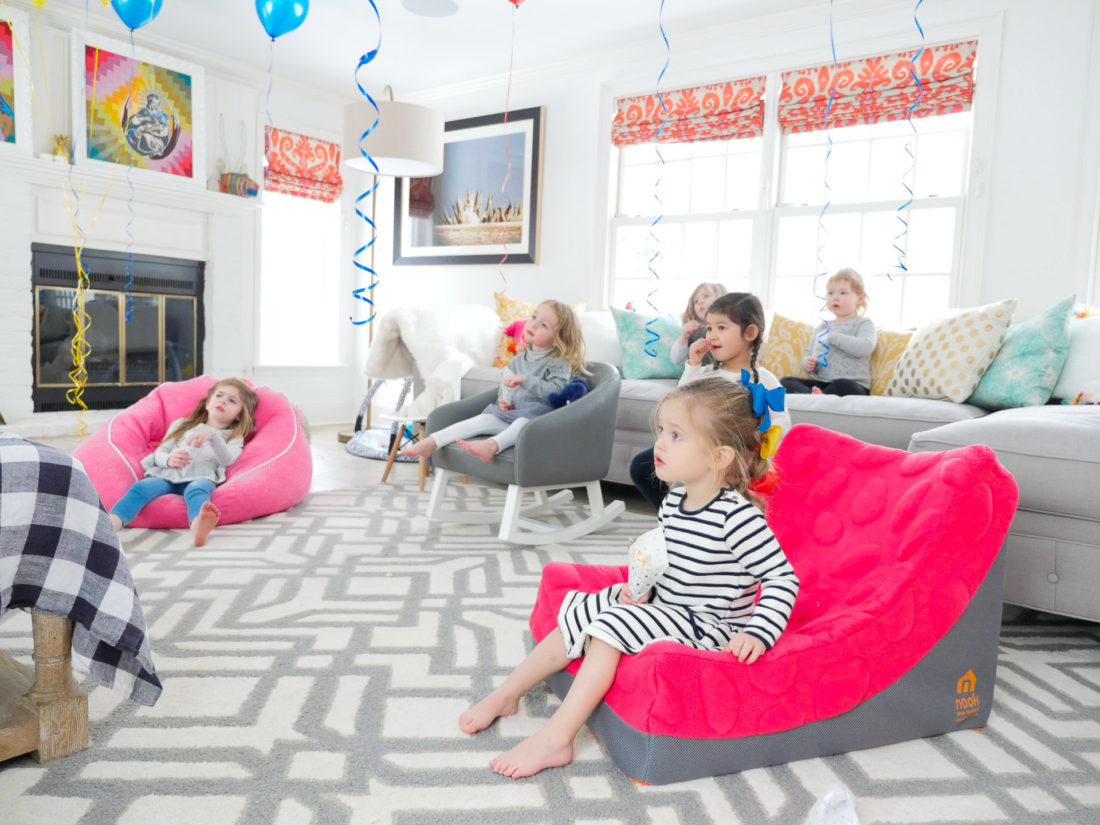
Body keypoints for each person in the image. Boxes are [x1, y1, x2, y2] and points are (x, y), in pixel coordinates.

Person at [459, 375, 800, 779]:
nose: (659, 443)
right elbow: (670, 562)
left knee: (610, 627)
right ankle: (507, 694)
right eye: (661, 431)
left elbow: (782, 579)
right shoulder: (675, 499)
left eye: (676, 436)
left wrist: (758, 632)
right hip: (671, 608)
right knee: (590, 606)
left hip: (712, 626)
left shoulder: (737, 517)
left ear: (720, 456)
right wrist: (640, 590)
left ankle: (557, 738)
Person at [630, 292, 791, 509]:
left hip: (734, 457)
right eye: (709, 328)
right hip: (694, 449)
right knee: (641, 466)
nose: (712, 335)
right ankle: (679, 518)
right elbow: (679, 405)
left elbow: (781, 421)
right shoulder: (705, 373)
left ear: (750, 332)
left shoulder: (766, 381)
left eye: (721, 328)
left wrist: (760, 450)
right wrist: (693, 364)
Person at [402, 300, 586, 463]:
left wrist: (525, 379)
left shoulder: (559, 362)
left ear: (558, 338)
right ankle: (432, 441)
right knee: (484, 418)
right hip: (511, 416)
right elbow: (506, 388)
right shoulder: (517, 360)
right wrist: (505, 403)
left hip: (537, 423)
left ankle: (491, 446)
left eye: (544, 325)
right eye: (534, 317)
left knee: (522, 423)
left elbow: (554, 391)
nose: (534, 324)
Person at [108, 378, 258, 546]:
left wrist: (212, 435)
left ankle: (198, 528)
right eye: (219, 395)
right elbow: (160, 452)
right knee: (141, 488)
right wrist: (169, 460)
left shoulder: (233, 437)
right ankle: (110, 524)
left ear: (239, 415)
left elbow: (229, 459)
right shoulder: (182, 425)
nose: (223, 401)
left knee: (197, 490)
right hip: (169, 475)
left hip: (202, 476)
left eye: (232, 400)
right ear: (208, 403)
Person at [781, 268, 876, 397]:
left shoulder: (863, 323)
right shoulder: (822, 327)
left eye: (843, 293)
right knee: (786, 382)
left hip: (853, 384)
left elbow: (865, 347)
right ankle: (817, 397)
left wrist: (834, 337)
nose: (835, 298)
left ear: (860, 298)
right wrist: (809, 362)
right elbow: (810, 352)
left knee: (842, 385)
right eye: (830, 293)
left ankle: (818, 398)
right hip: (822, 382)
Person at [670, 281, 727, 365]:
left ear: (721, 298)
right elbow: (676, 360)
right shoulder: (694, 329)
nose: (700, 301)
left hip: (723, 374)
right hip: (697, 375)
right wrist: (684, 337)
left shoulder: (731, 326)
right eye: (696, 301)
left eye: (706, 296)